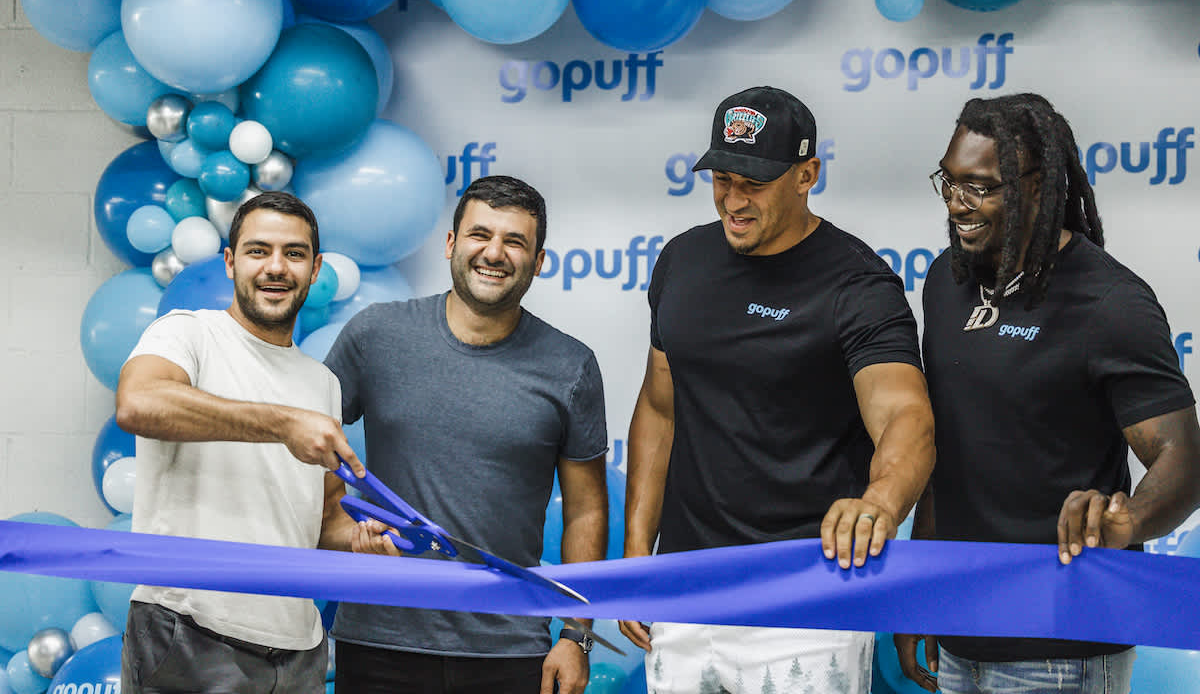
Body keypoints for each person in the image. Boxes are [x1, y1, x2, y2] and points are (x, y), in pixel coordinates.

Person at [618, 86, 936, 694]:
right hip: (689, 587)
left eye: (755, 183)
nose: (733, 201)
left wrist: (882, 502)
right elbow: (660, 408)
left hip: (809, 598)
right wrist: (638, 550)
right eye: (722, 179)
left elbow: (906, 417)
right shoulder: (681, 261)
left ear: (806, 175)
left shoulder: (858, 284)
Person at [895, 93, 1200, 694]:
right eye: (949, 182)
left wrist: (1126, 521)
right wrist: (924, 590)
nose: (958, 204)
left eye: (980, 187)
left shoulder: (1110, 304)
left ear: (1039, 187)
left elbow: (1183, 462)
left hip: (1065, 643)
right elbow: (947, 453)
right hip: (964, 629)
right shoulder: (944, 282)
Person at [322, 175, 609, 694]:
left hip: (510, 650)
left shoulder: (572, 365)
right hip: (379, 639)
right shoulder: (376, 335)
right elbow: (309, 446)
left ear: (539, 261)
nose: (494, 253)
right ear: (451, 244)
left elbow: (586, 509)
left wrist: (576, 634)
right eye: (480, 235)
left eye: (514, 241)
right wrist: (339, 531)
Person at [115, 191, 366, 694]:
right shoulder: (186, 333)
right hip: (187, 634)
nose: (276, 267)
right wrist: (280, 425)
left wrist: (359, 539)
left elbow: (319, 520)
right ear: (230, 262)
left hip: (298, 650)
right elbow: (138, 403)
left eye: (294, 254)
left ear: (314, 269)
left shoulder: (323, 384)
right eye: (258, 251)